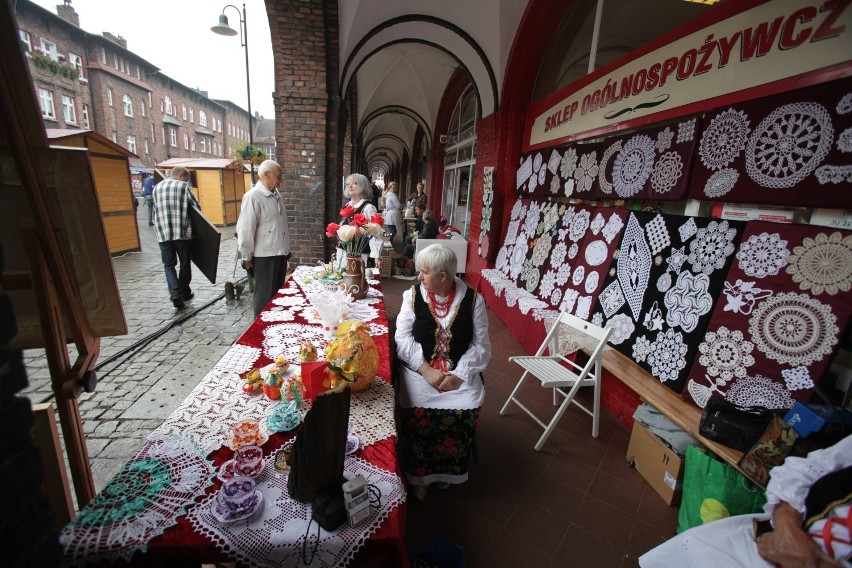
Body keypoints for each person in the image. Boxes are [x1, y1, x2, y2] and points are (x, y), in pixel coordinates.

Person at [640, 433, 852, 568]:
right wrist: (788, 529)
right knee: (695, 549)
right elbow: (805, 469)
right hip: (769, 538)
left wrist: (812, 562)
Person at [394, 244, 491, 501]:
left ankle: (446, 471)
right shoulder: (412, 297)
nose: (419, 277)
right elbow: (402, 339)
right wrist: (425, 369)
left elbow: (481, 346)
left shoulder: (473, 301)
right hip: (419, 370)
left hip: (458, 372)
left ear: (443, 277)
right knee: (417, 409)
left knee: (466, 406)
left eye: (424, 272)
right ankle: (420, 475)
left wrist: (459, 374)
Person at [236, 160, 291, 317]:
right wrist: (246, 255)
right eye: (278, 176)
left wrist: (286, 249)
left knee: (277, 295)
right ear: (266, 175)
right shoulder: (253, 197)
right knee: (264, 296)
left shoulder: (276, 195)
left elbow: (280, 225)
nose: (281, 180)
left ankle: (274, 324)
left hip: (279, 252)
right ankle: (260, 328)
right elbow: (245, 229)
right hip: (264, 255)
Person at [152, 167, 199, 310]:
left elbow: (154, 210)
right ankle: (184, 292)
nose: (186, 182)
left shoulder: (157, 187)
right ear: (180, 176)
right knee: (184, 263)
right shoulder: (182, 187)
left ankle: (175, 294)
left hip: (162, 233)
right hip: (181, 232)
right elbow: (196, 208)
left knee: (169, 265)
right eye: (186, 179)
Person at [342, 173, 382, 266]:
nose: (350, 186)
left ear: (363, 186)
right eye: (348, 184)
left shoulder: (368, 208)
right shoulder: (348, 205)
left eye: (355, 183)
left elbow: (375, 233)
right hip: (345, 253)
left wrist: (377, 256)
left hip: (361, 254)